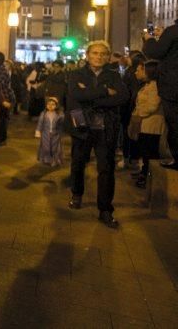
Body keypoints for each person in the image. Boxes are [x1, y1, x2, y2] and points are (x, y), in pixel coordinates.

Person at [66, 40, 128, 228]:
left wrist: (92, 99)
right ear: (87, 55)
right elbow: (76, 95)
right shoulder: (76, 74)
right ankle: (77, 194)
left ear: (108, 57)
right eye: (95, 53)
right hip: (82, 126)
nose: (98, 57)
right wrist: (103, 91)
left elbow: (123, 97)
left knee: (106, 169)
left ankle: (105, 209)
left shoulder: (114, 76)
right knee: (78, 163)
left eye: (103, 54)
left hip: (105, 128)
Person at [142, 20, 178, 169]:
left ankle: (177, 159)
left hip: (173, 87)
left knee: (175, 124)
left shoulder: (173, 31)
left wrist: (149, 40)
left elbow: (154, 52)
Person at [130, 60, 164, 188]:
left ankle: (147, 178)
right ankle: (145, 175)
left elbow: (152, 106)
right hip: (145, 124)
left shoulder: (155, 86)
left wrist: (139, 114)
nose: (136, 72)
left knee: (150, 153)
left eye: (140, 69)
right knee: (145, 152)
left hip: (152, 125)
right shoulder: (148, 85)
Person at [0, 52, 15, 145]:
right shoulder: (0, 69)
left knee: (2, 118)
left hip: (4, 97)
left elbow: (1, 86)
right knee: (2, 118)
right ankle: (1, 137)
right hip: (3, 97)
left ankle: (1, 137)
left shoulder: (1, 71)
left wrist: (2, 99)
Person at [35, 97, 65, 166]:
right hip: (45, 133)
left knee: (55, 148)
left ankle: (55, 160)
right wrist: (38, 130)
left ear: (56, 105)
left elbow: (62, 124)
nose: (50, 106)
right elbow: (40, 123)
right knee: (46, 147)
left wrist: (61, 132)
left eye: (53, 104)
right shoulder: (44, 114)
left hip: (56, 134)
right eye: (48, 104)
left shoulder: (59, 114)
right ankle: (47, 159)